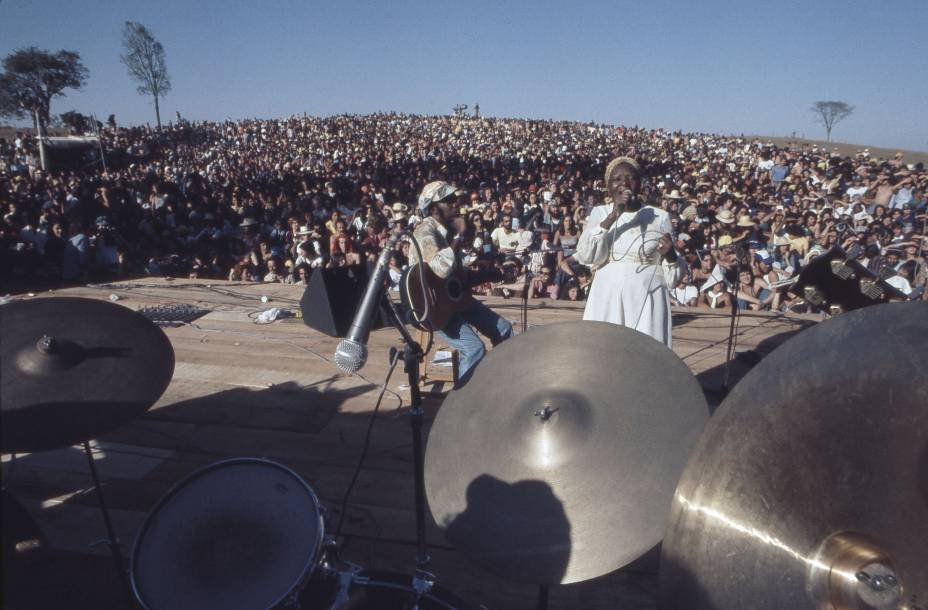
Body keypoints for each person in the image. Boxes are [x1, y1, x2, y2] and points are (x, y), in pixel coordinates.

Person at [409, 181, 513, 386]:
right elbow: (441, 269)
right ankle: (461, 403)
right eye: (449, 201)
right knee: (474, 349)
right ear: (433, 209)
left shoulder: (444, 230)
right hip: (434, 309)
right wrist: (461, 234)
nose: (456, 203)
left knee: (504, 330)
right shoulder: (425, 233)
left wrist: (489, 275)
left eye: (455, 199)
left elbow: (455, 280)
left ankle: (504, 381)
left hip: (453, 299)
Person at [574, 157, 679, 347]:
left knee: (645, 350)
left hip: (648, 294)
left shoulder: (660, 216)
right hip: (607, 292)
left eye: (630, 178)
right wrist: (613, 216)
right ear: (608, 186)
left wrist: (670, 255)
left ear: (639, 184)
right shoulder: (599, 213)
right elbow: (587, 255)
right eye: (617, 179)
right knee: (605, 347)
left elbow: (674, 278)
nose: (624, 183)